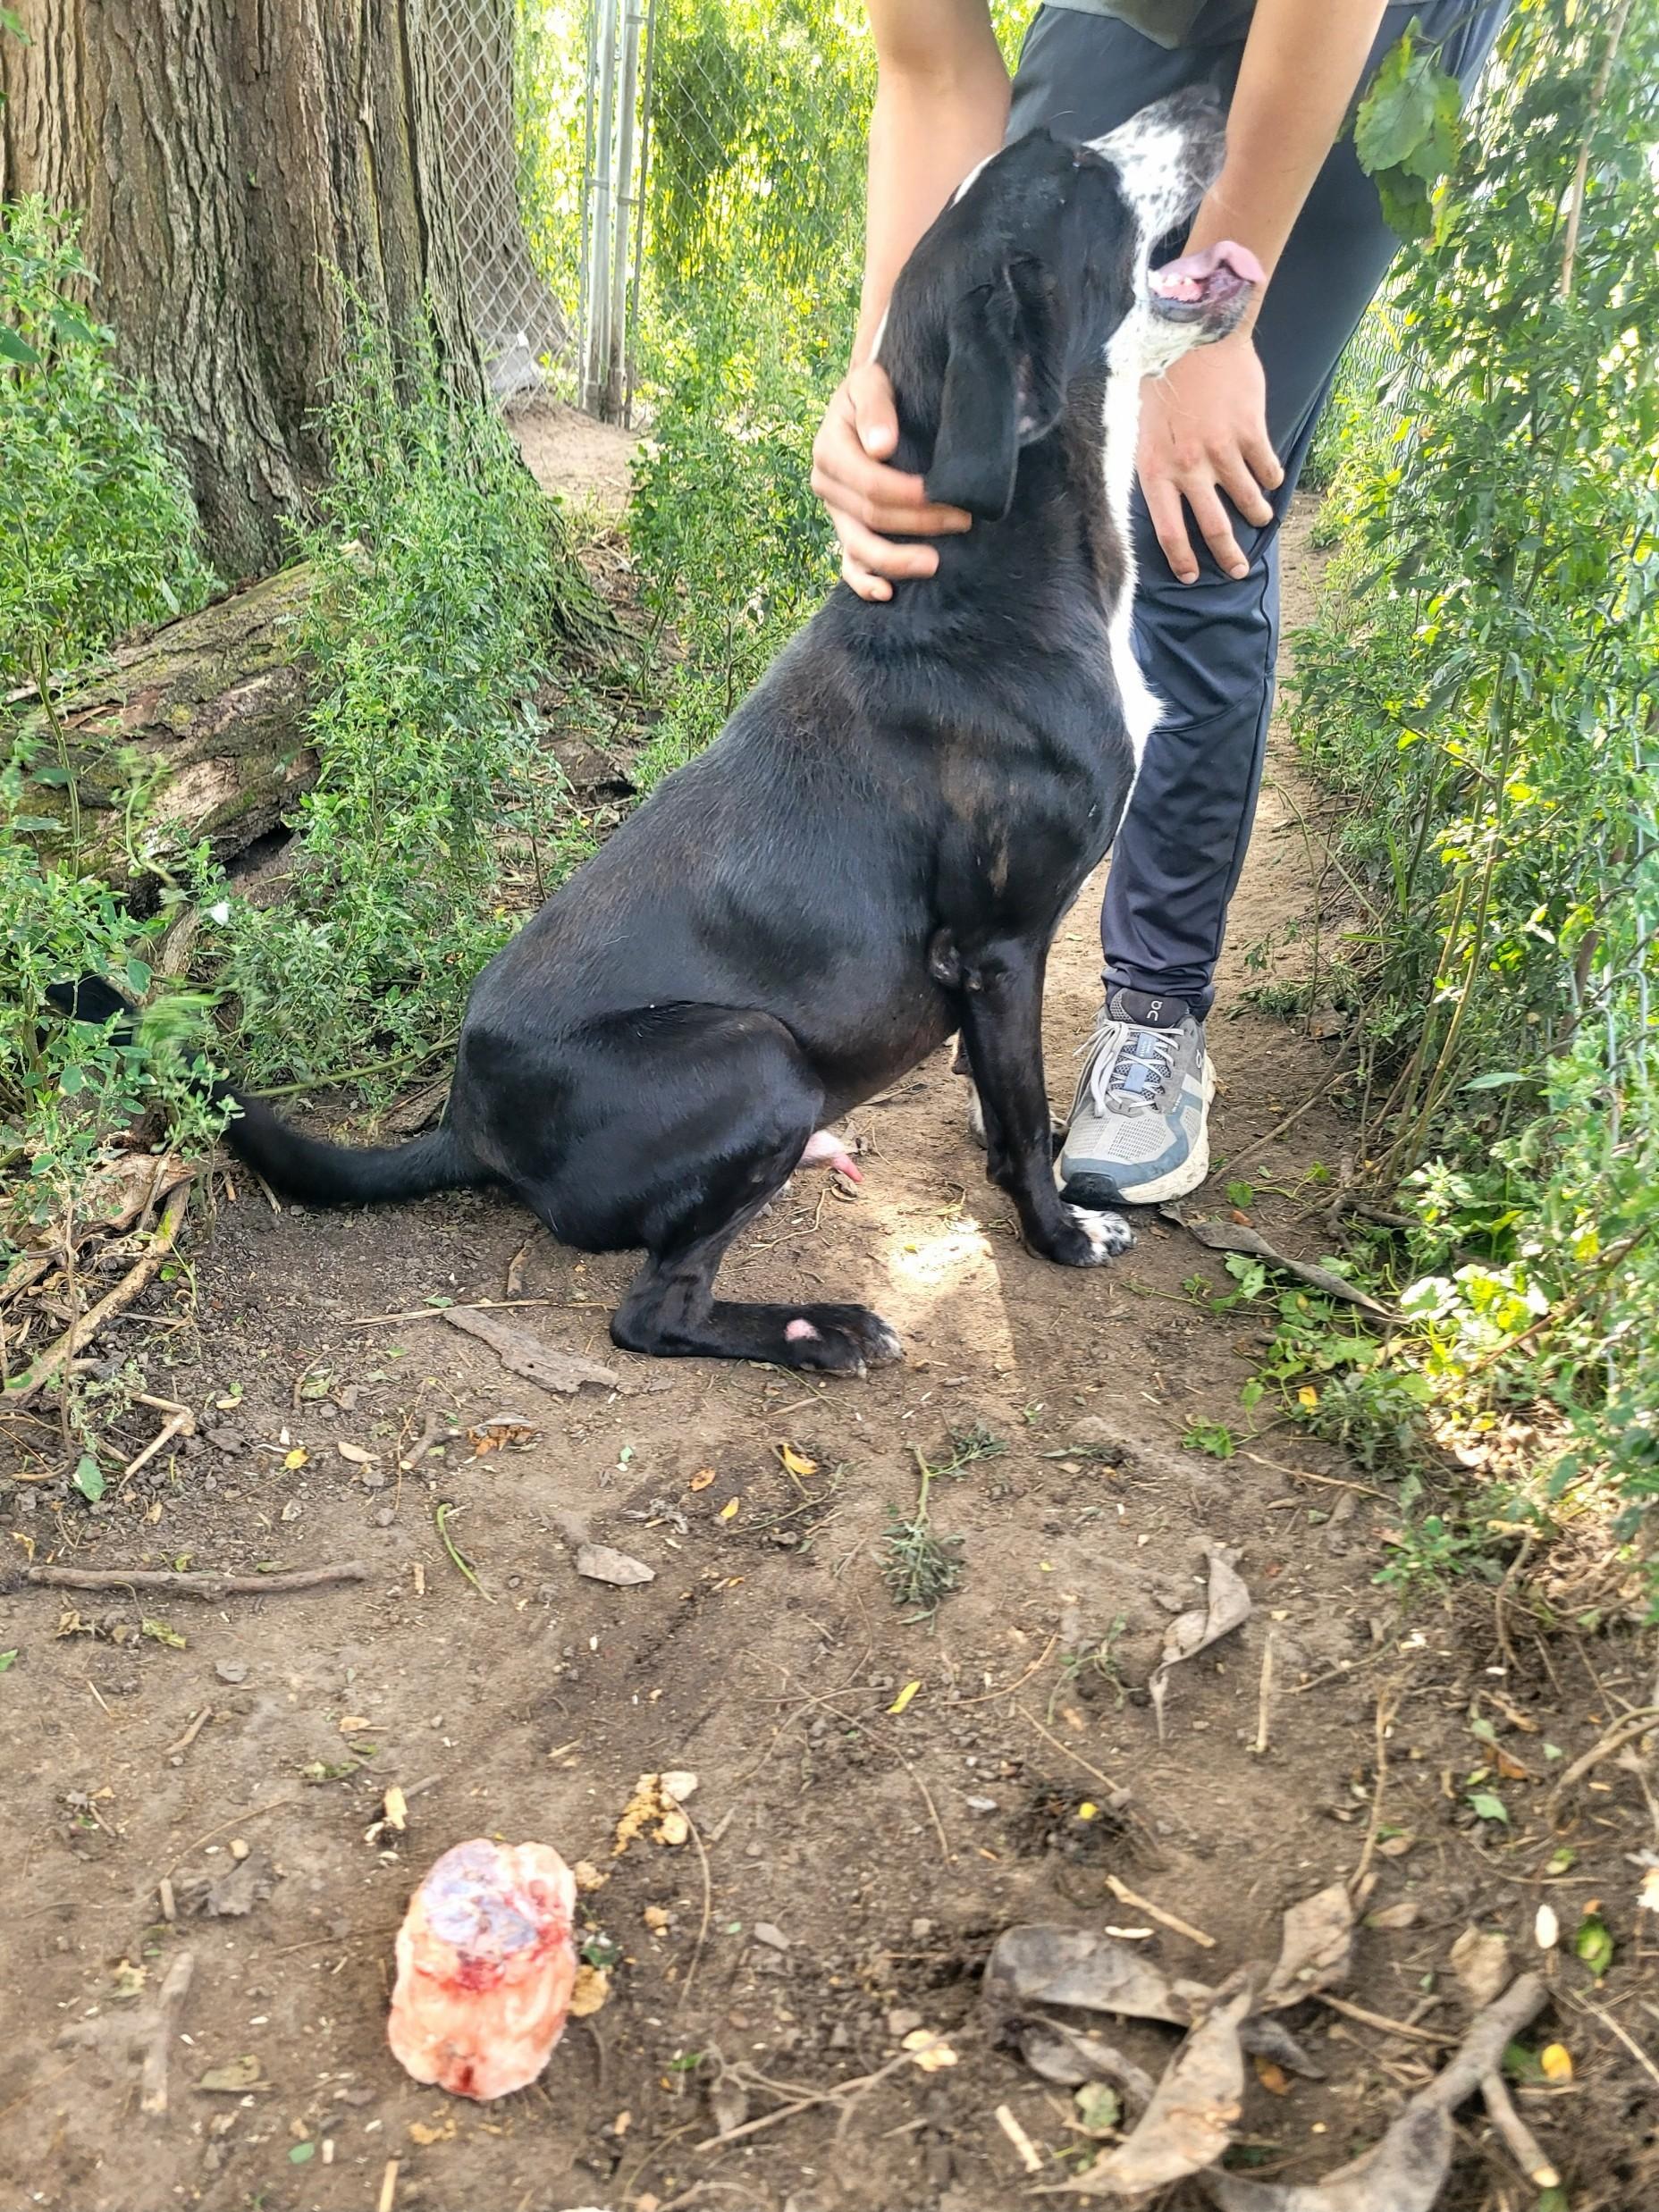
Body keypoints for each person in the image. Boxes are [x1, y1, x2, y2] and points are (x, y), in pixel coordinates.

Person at [813, 0, 1508, 1207]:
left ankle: (1154, 1010)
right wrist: (889, 367)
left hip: (1351, 26)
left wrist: (1210, 318)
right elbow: (932, 74)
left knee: (1187, 504)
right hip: (1136, 11)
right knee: (980, 471)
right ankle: (983, 973)